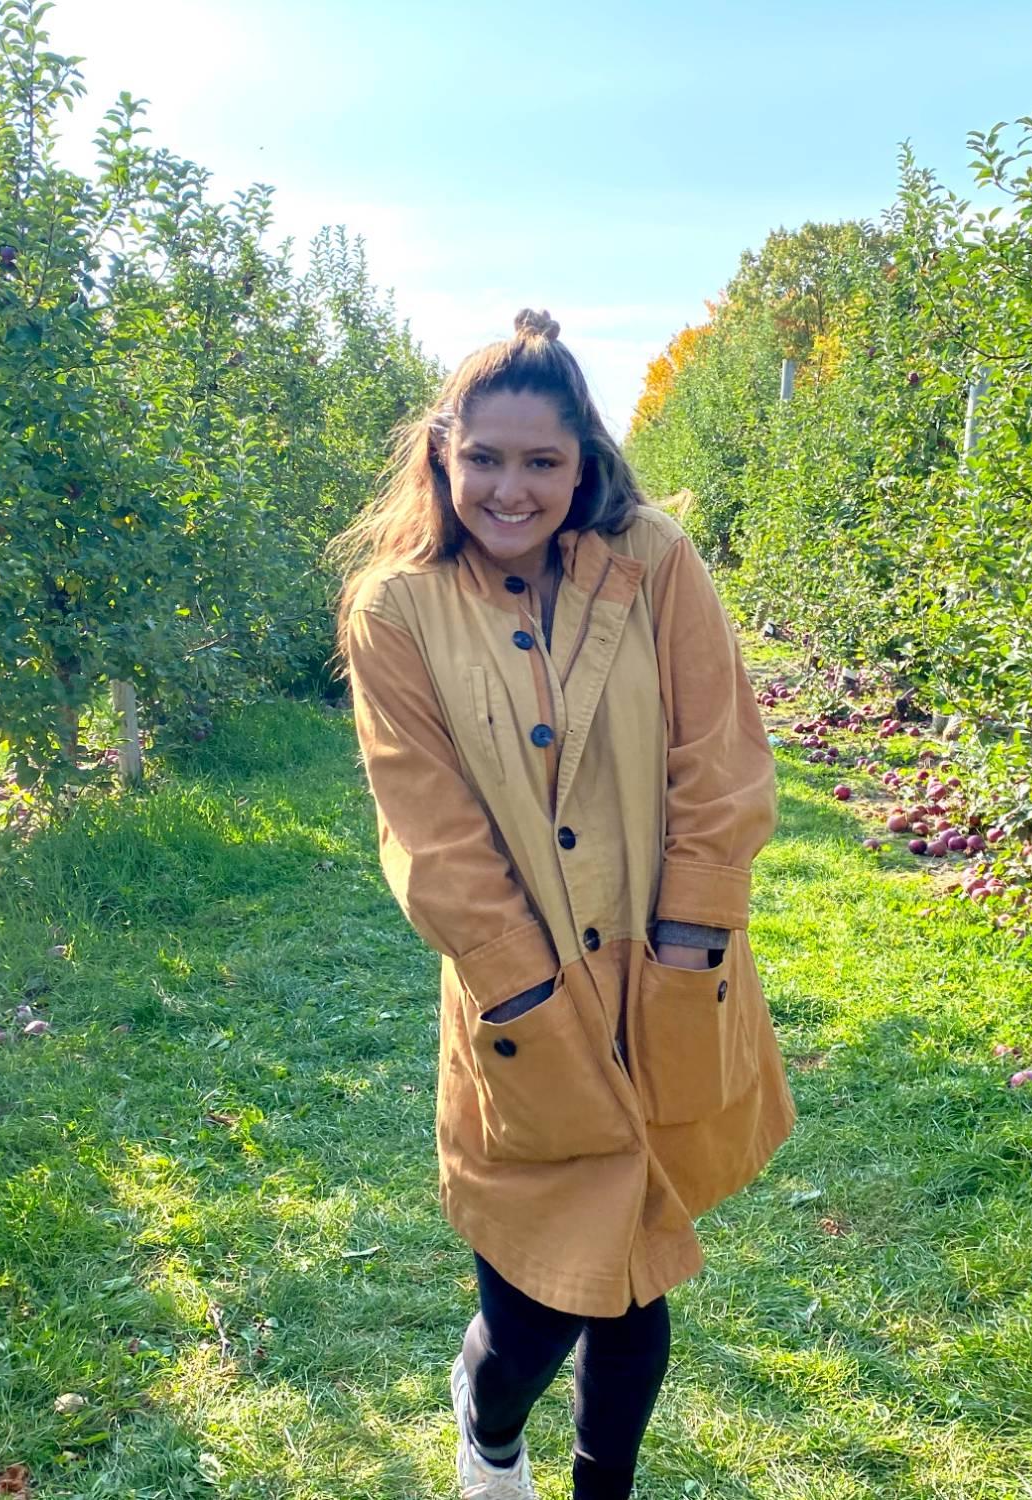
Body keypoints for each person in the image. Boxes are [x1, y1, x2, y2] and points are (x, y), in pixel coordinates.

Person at [328, 309, 796, 1500]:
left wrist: (691, 935)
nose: (509, 487)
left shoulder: (653, 564)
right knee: (535, 1304)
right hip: (520, 1000)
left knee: (637, 1267)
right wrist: (522, 983)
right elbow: (425, 826)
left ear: (582, 459)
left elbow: (719, 752)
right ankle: (487, 1429)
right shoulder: (395, 609)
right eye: (484, 456)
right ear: (441, 453)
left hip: (661, 973)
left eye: (541, 460)